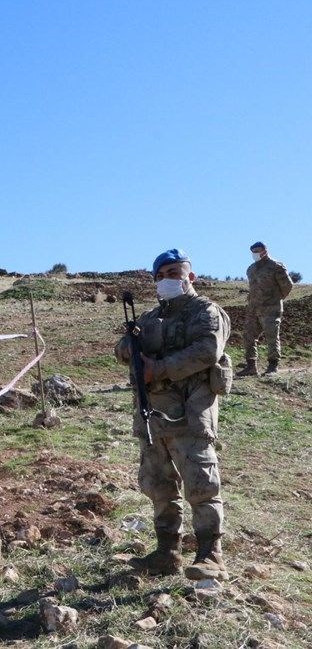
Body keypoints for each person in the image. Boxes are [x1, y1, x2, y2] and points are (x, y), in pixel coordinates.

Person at [115, 249, 231, 581]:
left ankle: (211, 555)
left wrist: (159, 368)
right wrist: (130, 348)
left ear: (190, 276)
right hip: (152, 419)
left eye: (174, 272)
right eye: (161, 275)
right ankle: (166, 552)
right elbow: (121, 350)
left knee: (201, 484)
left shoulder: (207, 312)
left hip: (190, 414)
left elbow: (207, 350)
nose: (167, 279)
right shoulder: (149, 318)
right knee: (158, 486)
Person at [239, 242, 294, 376]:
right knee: (248, 335)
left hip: (271, 308)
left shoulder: (276, 266)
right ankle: (251, 366)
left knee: (271, 335)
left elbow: (287, 286)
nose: (255, 254)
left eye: (257, 251)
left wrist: (275, 299)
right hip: (253, 308)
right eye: (253, 252)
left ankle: (272, 366)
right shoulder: (251, 269)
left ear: (265, 250)